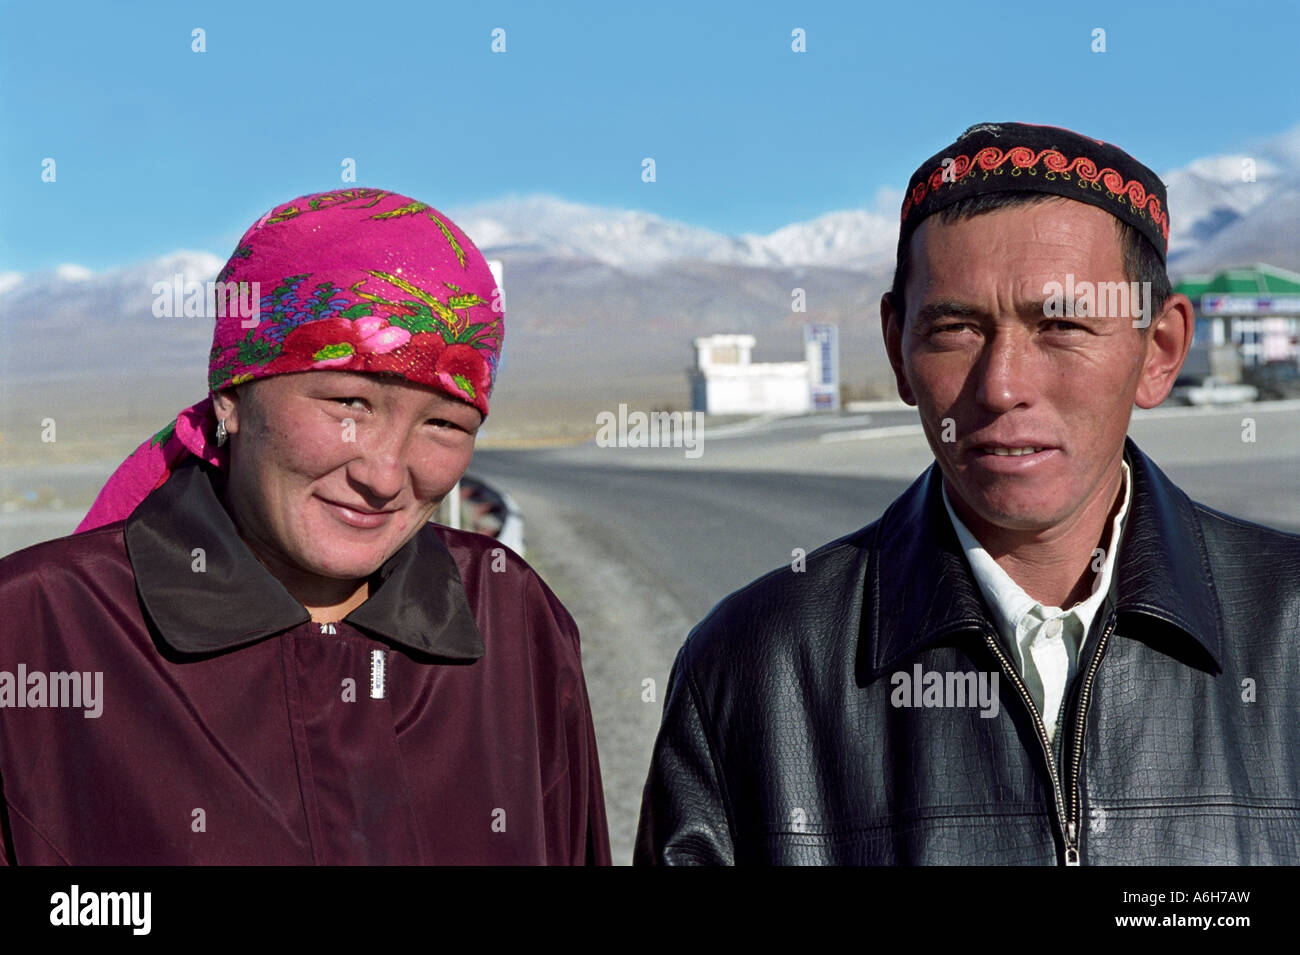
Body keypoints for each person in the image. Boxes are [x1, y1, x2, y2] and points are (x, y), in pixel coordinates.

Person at [634, 122, 1300, 865]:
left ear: (1159, 350)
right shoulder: (753, 669)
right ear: (898, 349)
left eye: (1062, 325)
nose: (1003, 386)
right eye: (955, 329)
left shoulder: (1288, 631)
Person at [0, 187, 611, 865]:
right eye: (348, 402)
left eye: (443, 424)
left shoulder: (509, 616)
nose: (384, 474)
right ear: (232, 397)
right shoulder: (39, 629)